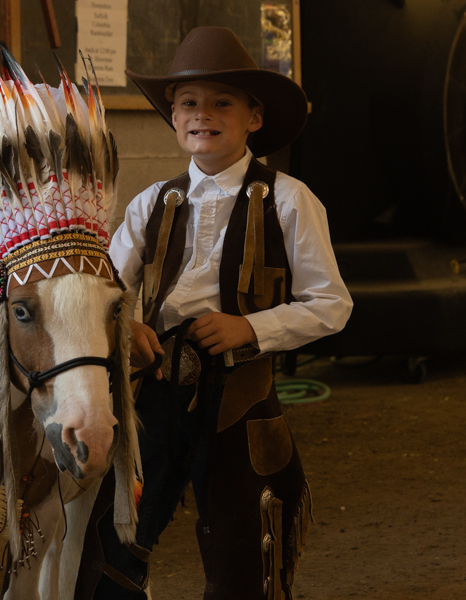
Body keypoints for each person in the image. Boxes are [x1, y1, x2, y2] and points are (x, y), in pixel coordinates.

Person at [74, 27, 352, 600]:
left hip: (239, 400)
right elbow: (105, 287)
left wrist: (249, 327)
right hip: (153, 391)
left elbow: (331, 304)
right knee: (113, 541)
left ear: (253, 117)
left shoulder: (290, 200)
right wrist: (124, 324)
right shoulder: (152, 202)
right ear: (174, 118)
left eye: (222, 102)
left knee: (241, 551)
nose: (204, 115)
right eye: (189, 103)